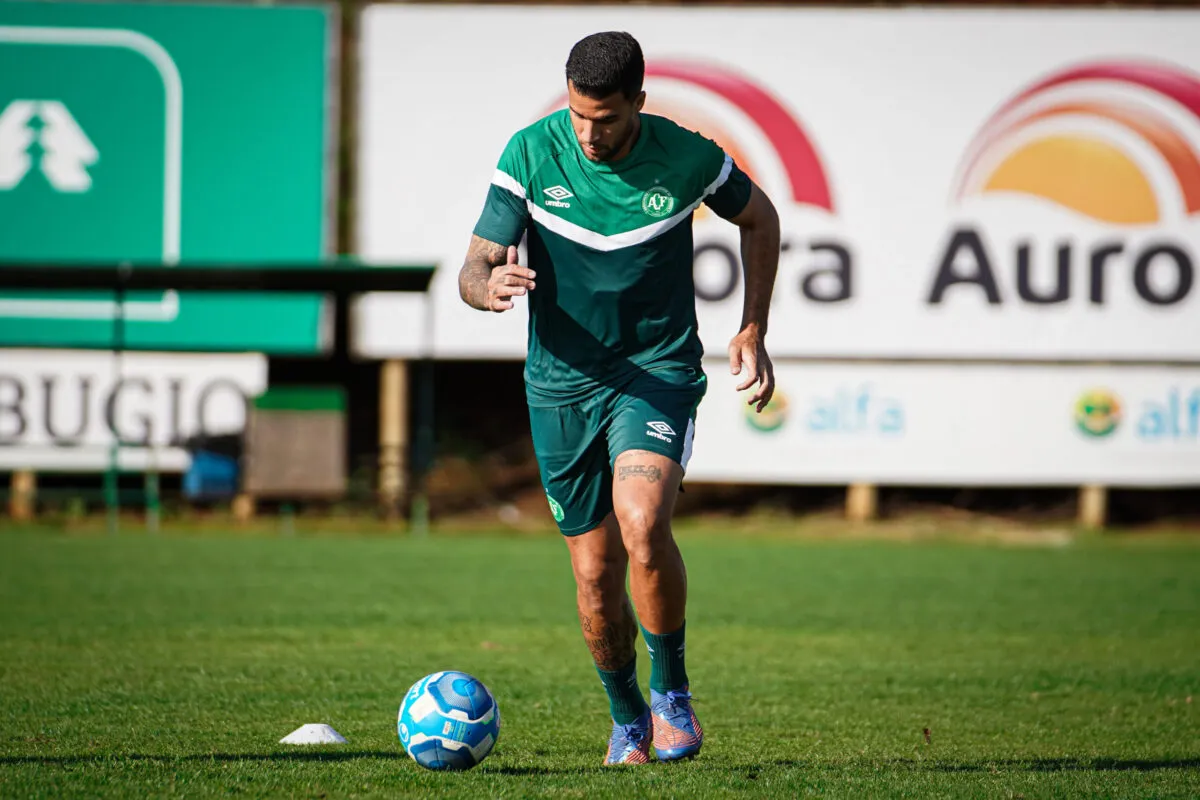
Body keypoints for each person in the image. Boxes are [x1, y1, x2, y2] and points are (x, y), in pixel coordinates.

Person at [458, 30, 780, 765]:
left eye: (604, 118)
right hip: (560, 385)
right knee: (594, 575)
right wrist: (488, 285)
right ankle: (627, 716)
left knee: (642, 521)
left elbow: (760, 218)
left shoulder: (688, 157)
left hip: (654, 372)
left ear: (638, 101)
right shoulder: (531, 154)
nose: (588, 133)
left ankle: (672, 695)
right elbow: (472, 268)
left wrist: (753, 326)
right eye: (578, 115)